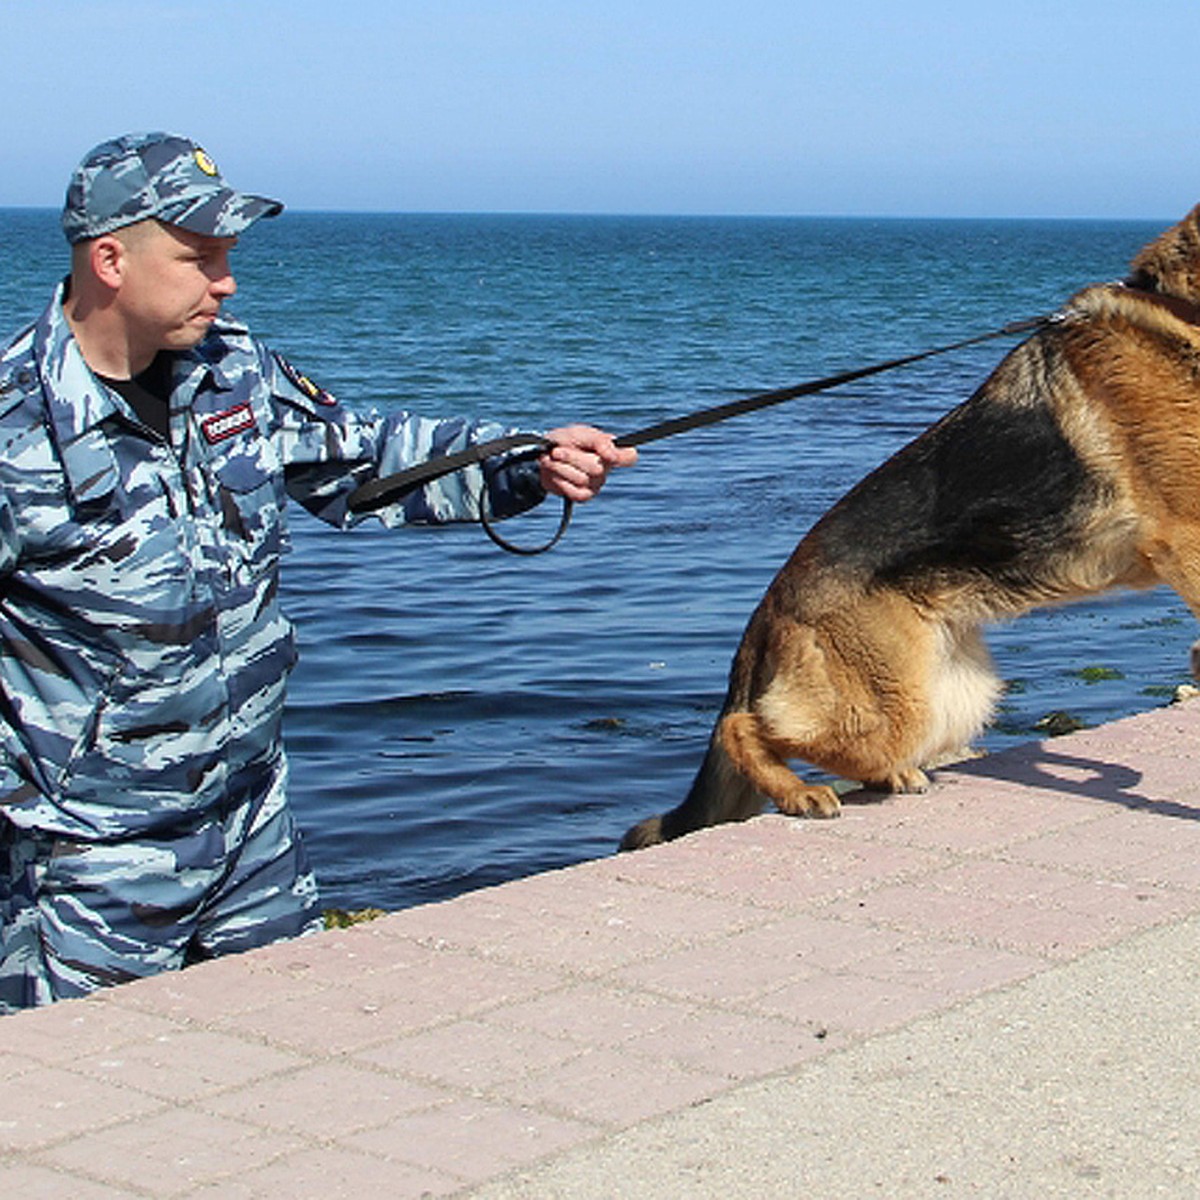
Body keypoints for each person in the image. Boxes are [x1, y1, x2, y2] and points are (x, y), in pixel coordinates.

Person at [0, 131, 637, 1013]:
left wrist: (528, 461)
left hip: (253, 829)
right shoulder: (15, 427)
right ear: (109, 259)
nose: (225, 282)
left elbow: (368, 462)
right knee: (80, 1103)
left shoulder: (234, 372)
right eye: (199, 258)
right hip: (93, 864)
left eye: (226, 256)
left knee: (284, 1057)